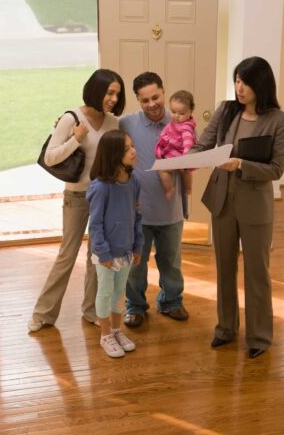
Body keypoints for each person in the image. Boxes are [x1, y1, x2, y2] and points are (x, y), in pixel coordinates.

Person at [190, 56, 284, 359]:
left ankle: (259, 337)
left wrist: (241, 164)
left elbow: (276, 169)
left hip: (255, 206)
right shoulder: (227, 110)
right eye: (236, 81)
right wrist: (182, 160)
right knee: (224, 267)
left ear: (261, 85)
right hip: (222, 201)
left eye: (245, 82)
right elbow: (203, 145)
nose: (239, 87)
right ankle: (226, 328)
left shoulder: (277, 120)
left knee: (257, 272)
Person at [28, 69, 125, 332]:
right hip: (76, 197)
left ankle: (92, 310)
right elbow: (50, 158)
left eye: (117, 94)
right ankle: (43, 314)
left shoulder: (113, 123)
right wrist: (76, 139)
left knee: (97, 256)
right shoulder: (71, 118)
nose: (114, 98)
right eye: (109, 92)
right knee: (67, 255)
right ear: (96, 90)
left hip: (104, 197)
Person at [119, 72, 189, 327]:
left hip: (170, 210)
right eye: (145, 100)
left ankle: (172, 301)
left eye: (156, 97)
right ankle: (135, 306)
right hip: (136, 212)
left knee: (171, 261)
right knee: (136, 265)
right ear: (138, 100)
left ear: (163, 91)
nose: (152, 104)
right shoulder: (126, 124)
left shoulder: (180, 122)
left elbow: (194, 152)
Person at [86, 130, 144, 357]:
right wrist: (104, 253)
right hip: (106, 255)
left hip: (127, 252)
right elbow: (96, 224)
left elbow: (137, 217)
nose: (133, 151)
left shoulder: (134, 181)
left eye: (132, 146)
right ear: (113, 155)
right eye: (127, 148)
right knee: (105, 292)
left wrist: (138, 246)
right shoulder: (101, 188)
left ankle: (117, 330)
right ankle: (105, 335)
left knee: (120, 292)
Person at [155, 90, 197, 200]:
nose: (176, 116)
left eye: (181, 113)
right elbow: (166, 130)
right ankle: (175, 188)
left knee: (183, 171)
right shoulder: (174, 122)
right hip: (171, 152)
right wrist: (163, 137)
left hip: (180, 153)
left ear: (191, 112)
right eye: (173, 111)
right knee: (167, 170)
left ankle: (184, 188)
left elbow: (188, 142)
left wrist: (186, 156)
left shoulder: (186, 127)